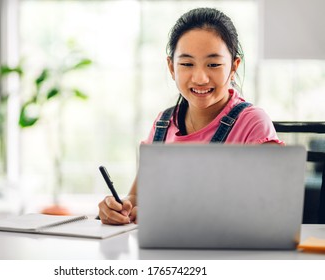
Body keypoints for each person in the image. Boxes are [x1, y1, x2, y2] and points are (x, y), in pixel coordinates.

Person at [98, 7, 282, 225]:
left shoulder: (253, 123)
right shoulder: (163, 124)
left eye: (213, 64)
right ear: (171, 67)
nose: (200, 78)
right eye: (186, 64)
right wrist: (117, 208)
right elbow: (137, 198)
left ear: (234, 66)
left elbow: (271, 211)